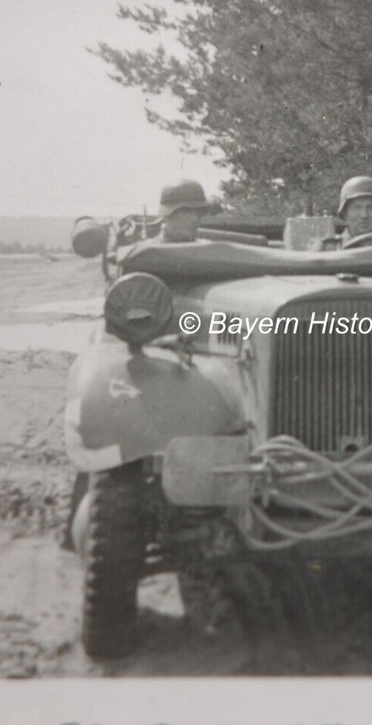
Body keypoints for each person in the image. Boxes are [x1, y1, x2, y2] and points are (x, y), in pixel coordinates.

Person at [62, 179, 212, 551]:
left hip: (203, 343)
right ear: (171, 215)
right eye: (188, 212)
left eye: (197, 212)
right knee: (112, 424)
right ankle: (85, 519)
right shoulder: (147, 252)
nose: (194, 219)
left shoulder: (209, 250)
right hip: (158, 339)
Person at [337, 176, 372, 247]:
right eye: (357, 208)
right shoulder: (331, 248)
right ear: (345, 213)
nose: (364, 215)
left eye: (371, 208)